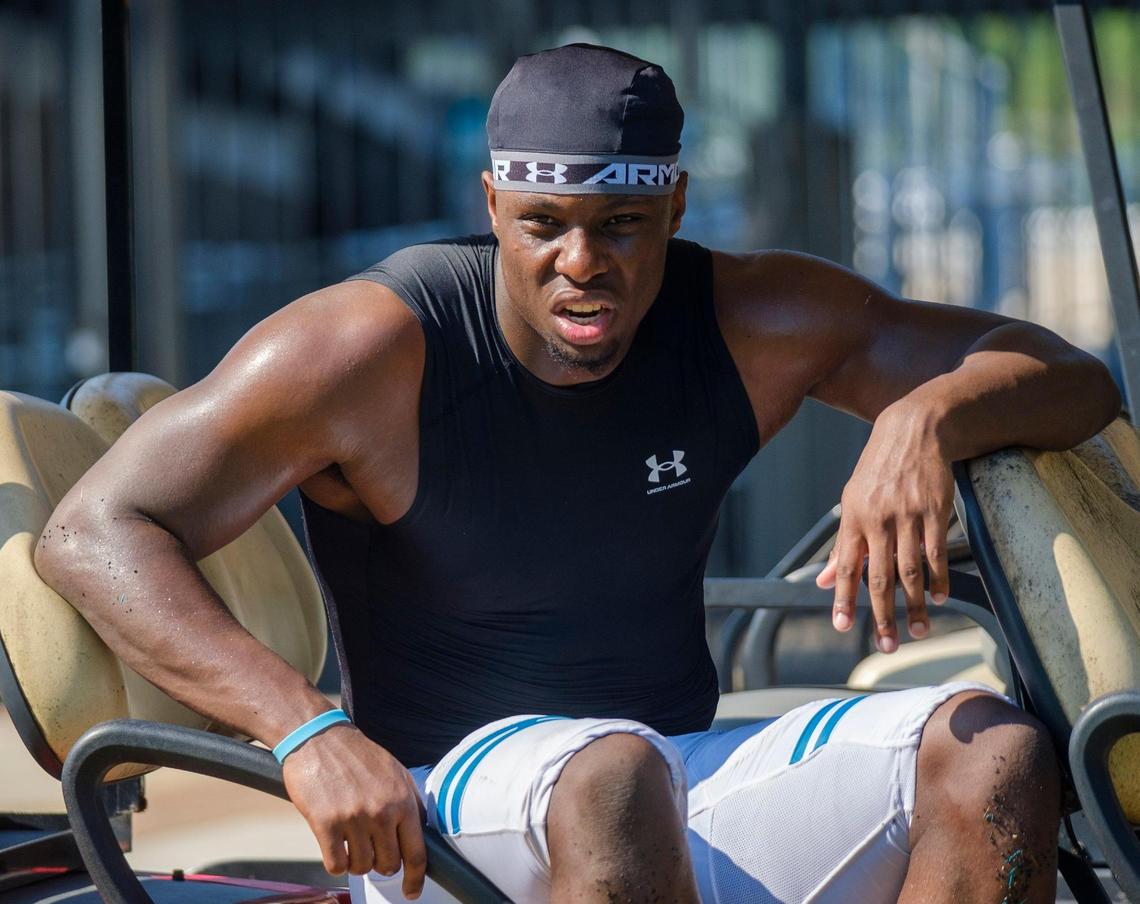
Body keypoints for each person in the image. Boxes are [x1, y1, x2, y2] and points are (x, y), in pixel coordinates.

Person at [35, 44, 1120, 904]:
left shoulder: (751, 320)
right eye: (544, 226)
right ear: (493, 207)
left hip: (674, 774)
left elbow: (1076, 378)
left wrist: (926, 416)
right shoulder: (366, 348)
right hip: (436, 821)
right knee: (611, 773)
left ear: (677, 209)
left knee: (1000, 760)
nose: (582, 264)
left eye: (622, 226)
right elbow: (94, 530)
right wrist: (306, 728)